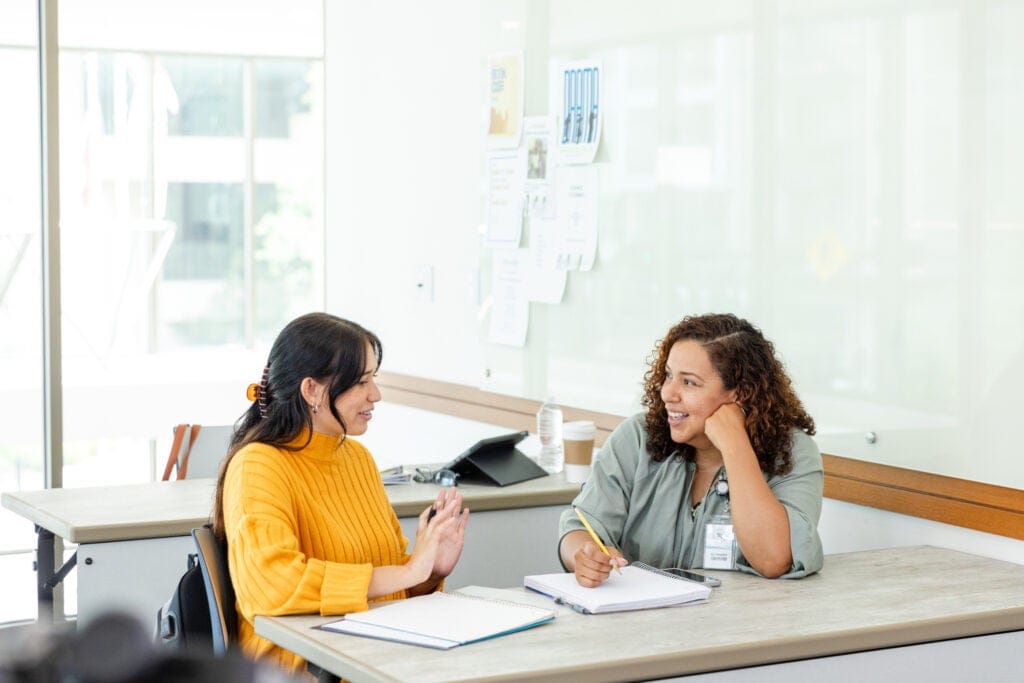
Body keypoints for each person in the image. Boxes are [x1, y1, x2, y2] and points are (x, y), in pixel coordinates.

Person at [212, 312, 469, 674]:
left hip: (375, 652)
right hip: (302, 668)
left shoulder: (358, 459)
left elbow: (392, 582)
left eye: (373, 379)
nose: (375, 395)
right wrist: (410, 571)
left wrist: (429, 572)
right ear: (312, 390)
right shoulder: (258, 465)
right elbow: (272, 586)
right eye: (361, 382)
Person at [559, 313, 823, 585]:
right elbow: (579, 526)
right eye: (669, 375)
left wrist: (735, 446)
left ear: (740, 393)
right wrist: (584, 554)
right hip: (642, 622)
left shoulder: (792, 452)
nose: (667, 394)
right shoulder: (637, 438)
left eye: (689, 382)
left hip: (741, 625)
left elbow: (773, 560)